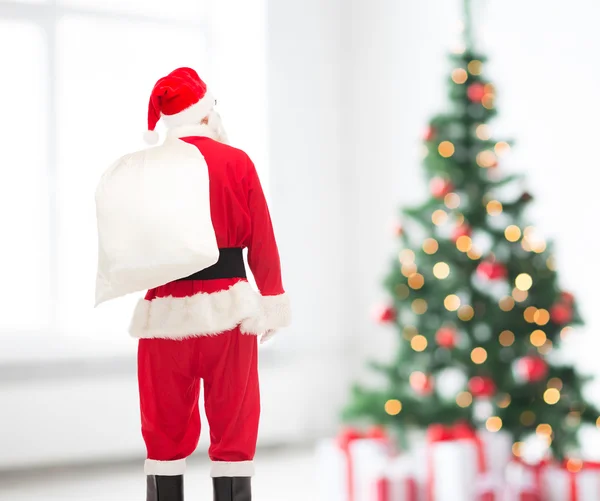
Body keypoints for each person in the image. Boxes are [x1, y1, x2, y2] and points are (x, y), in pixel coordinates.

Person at [100, 67, 290, 501]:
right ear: (206, 114)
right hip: (229, 310)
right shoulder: (236, 161)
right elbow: (261, 238)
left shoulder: (144, 168)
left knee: (162, 428)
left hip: (163, 312)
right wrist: (273, 300)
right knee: (234, 424)